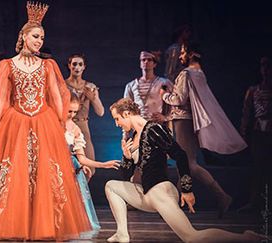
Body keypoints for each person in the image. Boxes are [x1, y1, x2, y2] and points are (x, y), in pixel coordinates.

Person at [0, 2, 91, 240]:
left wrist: (60, 122)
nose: (39, 41)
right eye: (35, 36)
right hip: (16, 121)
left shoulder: (48, 65)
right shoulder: (6, 65)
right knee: (17, 172)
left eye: (42, 37)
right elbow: (0, 99)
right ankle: (15, 224)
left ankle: (44, 224)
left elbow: (57, 96)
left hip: (43, 120)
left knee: (44, 172)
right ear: (23, 36)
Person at [105, 98, 267, 243]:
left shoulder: (153, 129)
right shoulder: (132, 138)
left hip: (160, 191)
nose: (117, 123)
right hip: (146, 194)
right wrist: (127, 157)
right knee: (111, 186)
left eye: (117, 119)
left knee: (192, 237)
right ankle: (122, 234)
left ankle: (246, 238)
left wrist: (186, 189)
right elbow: (127, 178)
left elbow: (181, 155)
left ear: (126, 114)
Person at [160, 43, 247, 218]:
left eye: (183, 52)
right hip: (190, 120)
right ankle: (175, 205)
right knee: (187, 163)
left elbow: (179, 99)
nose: (180, 56)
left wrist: (164, 94)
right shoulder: (199, 73)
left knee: (188, 163)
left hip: (183, 120)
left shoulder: (186, 74)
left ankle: (221, 195)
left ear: (192, 54)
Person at [65, 94, 119, 237]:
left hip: (70, 166)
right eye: (69, 111)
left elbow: (81, 158)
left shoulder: (75, 129)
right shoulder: (50, 124)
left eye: (75, 112)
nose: (72, 115)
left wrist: (102, 164)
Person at [238, 56, 272, 213]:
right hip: (258, 132)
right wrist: (243, 132)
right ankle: (254, 202)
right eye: (263, 66)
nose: (265, 70)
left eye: (268, 66)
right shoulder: (253, 90)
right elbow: (246, 113)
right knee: (257, 167)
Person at [65, 53, 105, 168]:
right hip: (65, 123)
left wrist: (94, 98)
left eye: (80, 64)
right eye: (74, 64)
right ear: (69, 65)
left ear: (84, 67)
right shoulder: (62, 85)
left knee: (89, 162)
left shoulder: (89, 86)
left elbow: (100, 112)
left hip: (82, 124)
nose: (77, 67)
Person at [124, 51, 173, 123]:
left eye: (149, 60)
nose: (146, 62)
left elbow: (176, 103)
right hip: (138, 124)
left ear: (154, 64)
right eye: (143, 60)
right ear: (140, 63)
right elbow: (126, 107)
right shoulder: (131, 85)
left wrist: (166, 117)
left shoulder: (163, 82)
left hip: (156, 124)